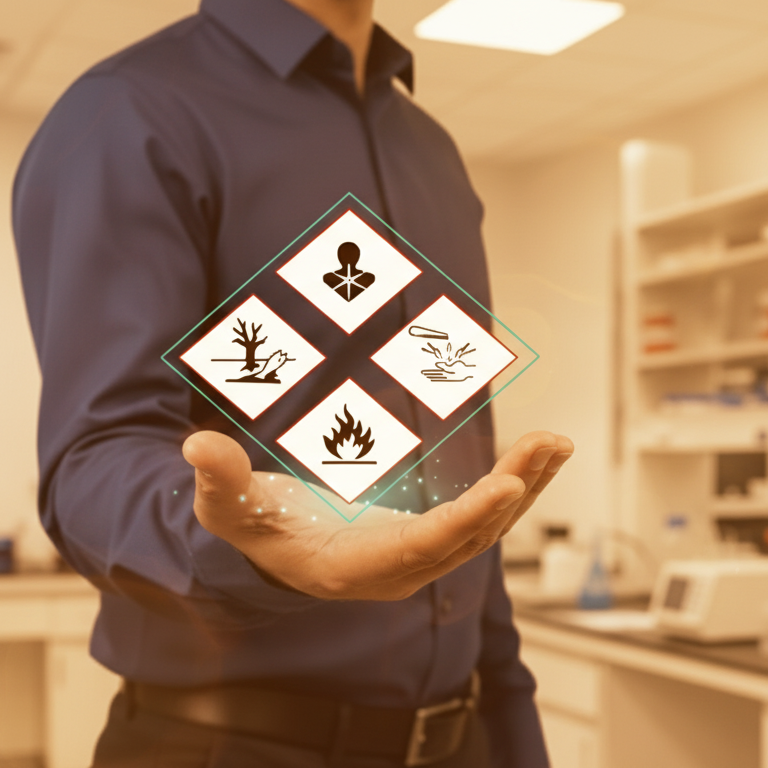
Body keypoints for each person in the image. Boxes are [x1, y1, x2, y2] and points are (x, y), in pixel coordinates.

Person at [12, 0, 573, 766]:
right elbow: (94, 465)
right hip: (228, 745)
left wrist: (512, 730)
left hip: (463, 737)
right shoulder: (129, 111)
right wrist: (241, 536)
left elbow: (468, 493)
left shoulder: (433, 152)